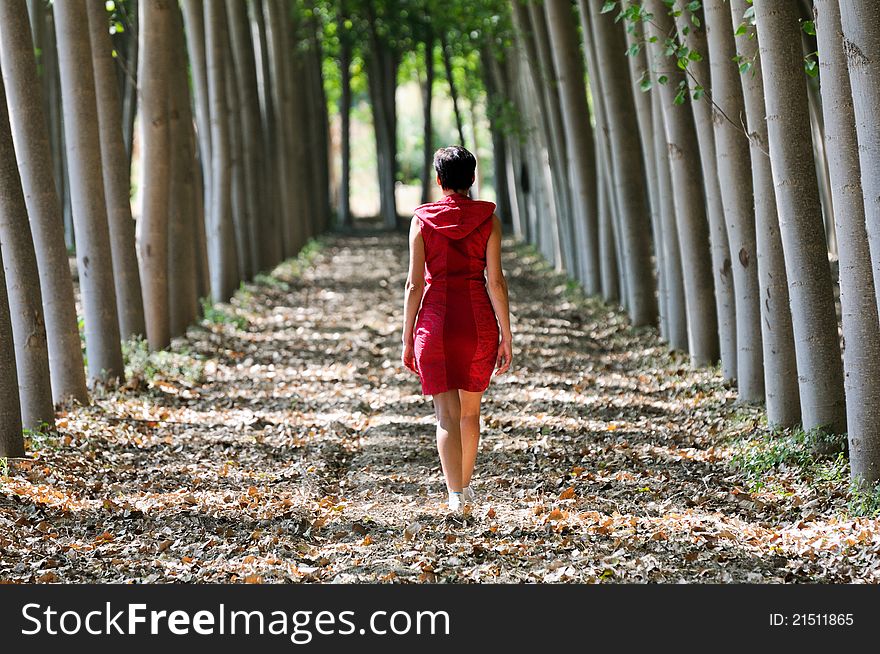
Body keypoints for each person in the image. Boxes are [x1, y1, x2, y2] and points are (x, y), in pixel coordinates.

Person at [401, 145, 513, 513]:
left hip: (434, 324)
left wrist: (406, 337)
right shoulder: (489, 220)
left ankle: (454, 497)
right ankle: (464, 489)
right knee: (470, 414)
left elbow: (414, 285)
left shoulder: (422, 221)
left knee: (446, 415)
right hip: (478, 323)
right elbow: (495, 281)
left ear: (438, 180)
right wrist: (506, 334)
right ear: (472, 179)